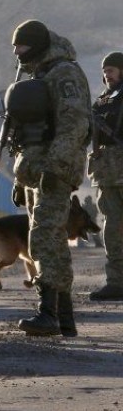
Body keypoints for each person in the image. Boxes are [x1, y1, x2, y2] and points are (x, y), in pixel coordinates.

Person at [6, 20, 91, 337]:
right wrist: (21, 178)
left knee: (43, 237)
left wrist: (55, 167)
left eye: (22, 46)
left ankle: (48, 313)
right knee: (52, 240)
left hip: (55, 170)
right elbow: (27, 135)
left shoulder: (63, 74)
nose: (17, 52)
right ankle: (64, 318)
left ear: (37, 45)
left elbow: (74, 125)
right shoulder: (39, 75)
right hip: (36, 169)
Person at [88, 51, 123, 301]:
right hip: (108, 174)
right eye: (105, 71)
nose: (106, 75)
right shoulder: (101, 102)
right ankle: (117, 282)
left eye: (111, 70)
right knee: (112, 228)